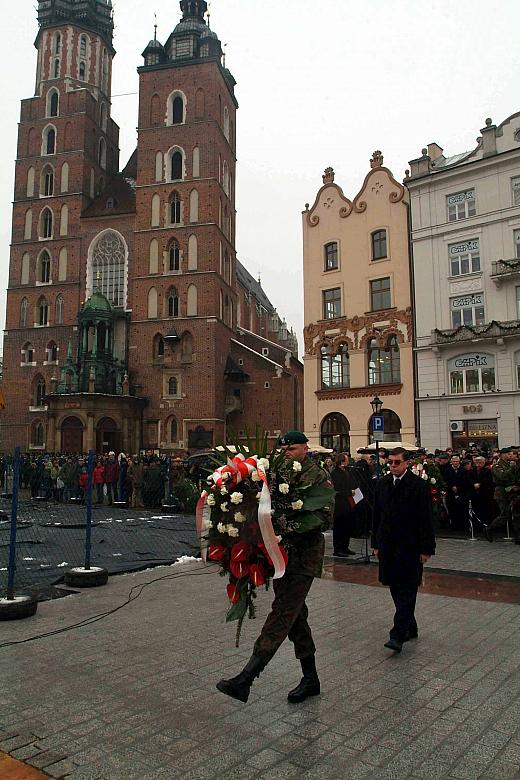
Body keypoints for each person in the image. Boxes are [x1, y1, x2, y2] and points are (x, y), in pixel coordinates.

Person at [216, 430, 333, 704]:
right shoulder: (280, 474)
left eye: (291, 449)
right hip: (280, 556)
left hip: (304, 558)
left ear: (305, 448)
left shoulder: (317, 476)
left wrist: (286, 524)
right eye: (282, 450)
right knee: (295, 615)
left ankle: (246, 678)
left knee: (283, 613)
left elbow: (324, 518)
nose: (286, 454)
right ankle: (311, 678)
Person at [371, 447, 436, 653]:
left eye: (397, 462)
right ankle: (411, 625)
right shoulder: (382, 484)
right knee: (395, 586)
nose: (392, 466)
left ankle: (397, 634)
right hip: (388, 545)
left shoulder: (419, 486)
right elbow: (377, 516)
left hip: (410, 546)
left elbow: (426, 519)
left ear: (407, 463)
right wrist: (375, 543)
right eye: (389, 462)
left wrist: (426, 549)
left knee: (408, 588)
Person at [330, 453, 358, 556]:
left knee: (347, 526)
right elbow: (337, 489)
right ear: (342, 461)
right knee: (339, 527)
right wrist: (349, 492)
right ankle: (338, 549)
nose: (348, 461)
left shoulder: (347, 471)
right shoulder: (335, 473)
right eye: (346, 459)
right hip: (340, 504)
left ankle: (345, 547)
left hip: (348, 503)